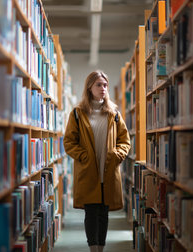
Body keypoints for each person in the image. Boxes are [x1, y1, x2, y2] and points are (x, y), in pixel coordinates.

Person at [64, 70, 131, 252]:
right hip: (88, 171)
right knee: (91, 212)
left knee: (103, 213)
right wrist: (84, 156)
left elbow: (125, 140)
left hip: (108, 170)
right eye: (99, 85)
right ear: (90, 87)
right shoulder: (78, 114)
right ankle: (93, 249)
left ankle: (100, 248)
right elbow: (69, 142)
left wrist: (117, 154)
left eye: (105, 85)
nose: (103, 88)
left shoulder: (114, 113)